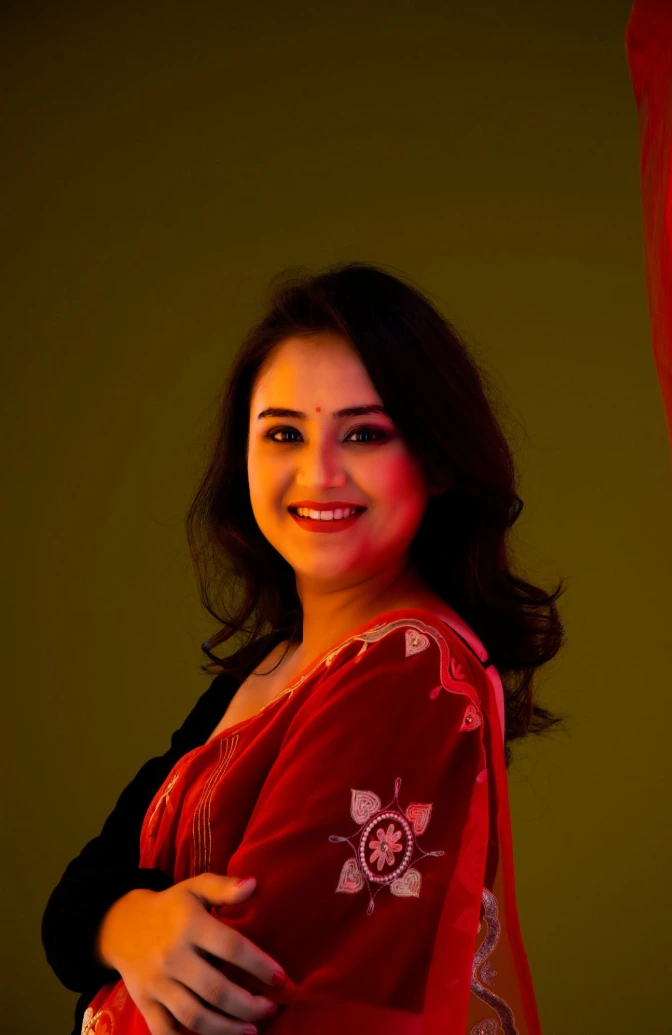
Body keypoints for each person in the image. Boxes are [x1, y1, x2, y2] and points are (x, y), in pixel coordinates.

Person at [42, 261, 568, 1034]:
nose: (318, 473)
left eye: (364, 433)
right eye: (284, 432)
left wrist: (132, 939)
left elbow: (235, 989)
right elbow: (76, 900)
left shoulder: (409, 669)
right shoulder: (268, 667)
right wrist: (129, 923)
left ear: (438, 458)